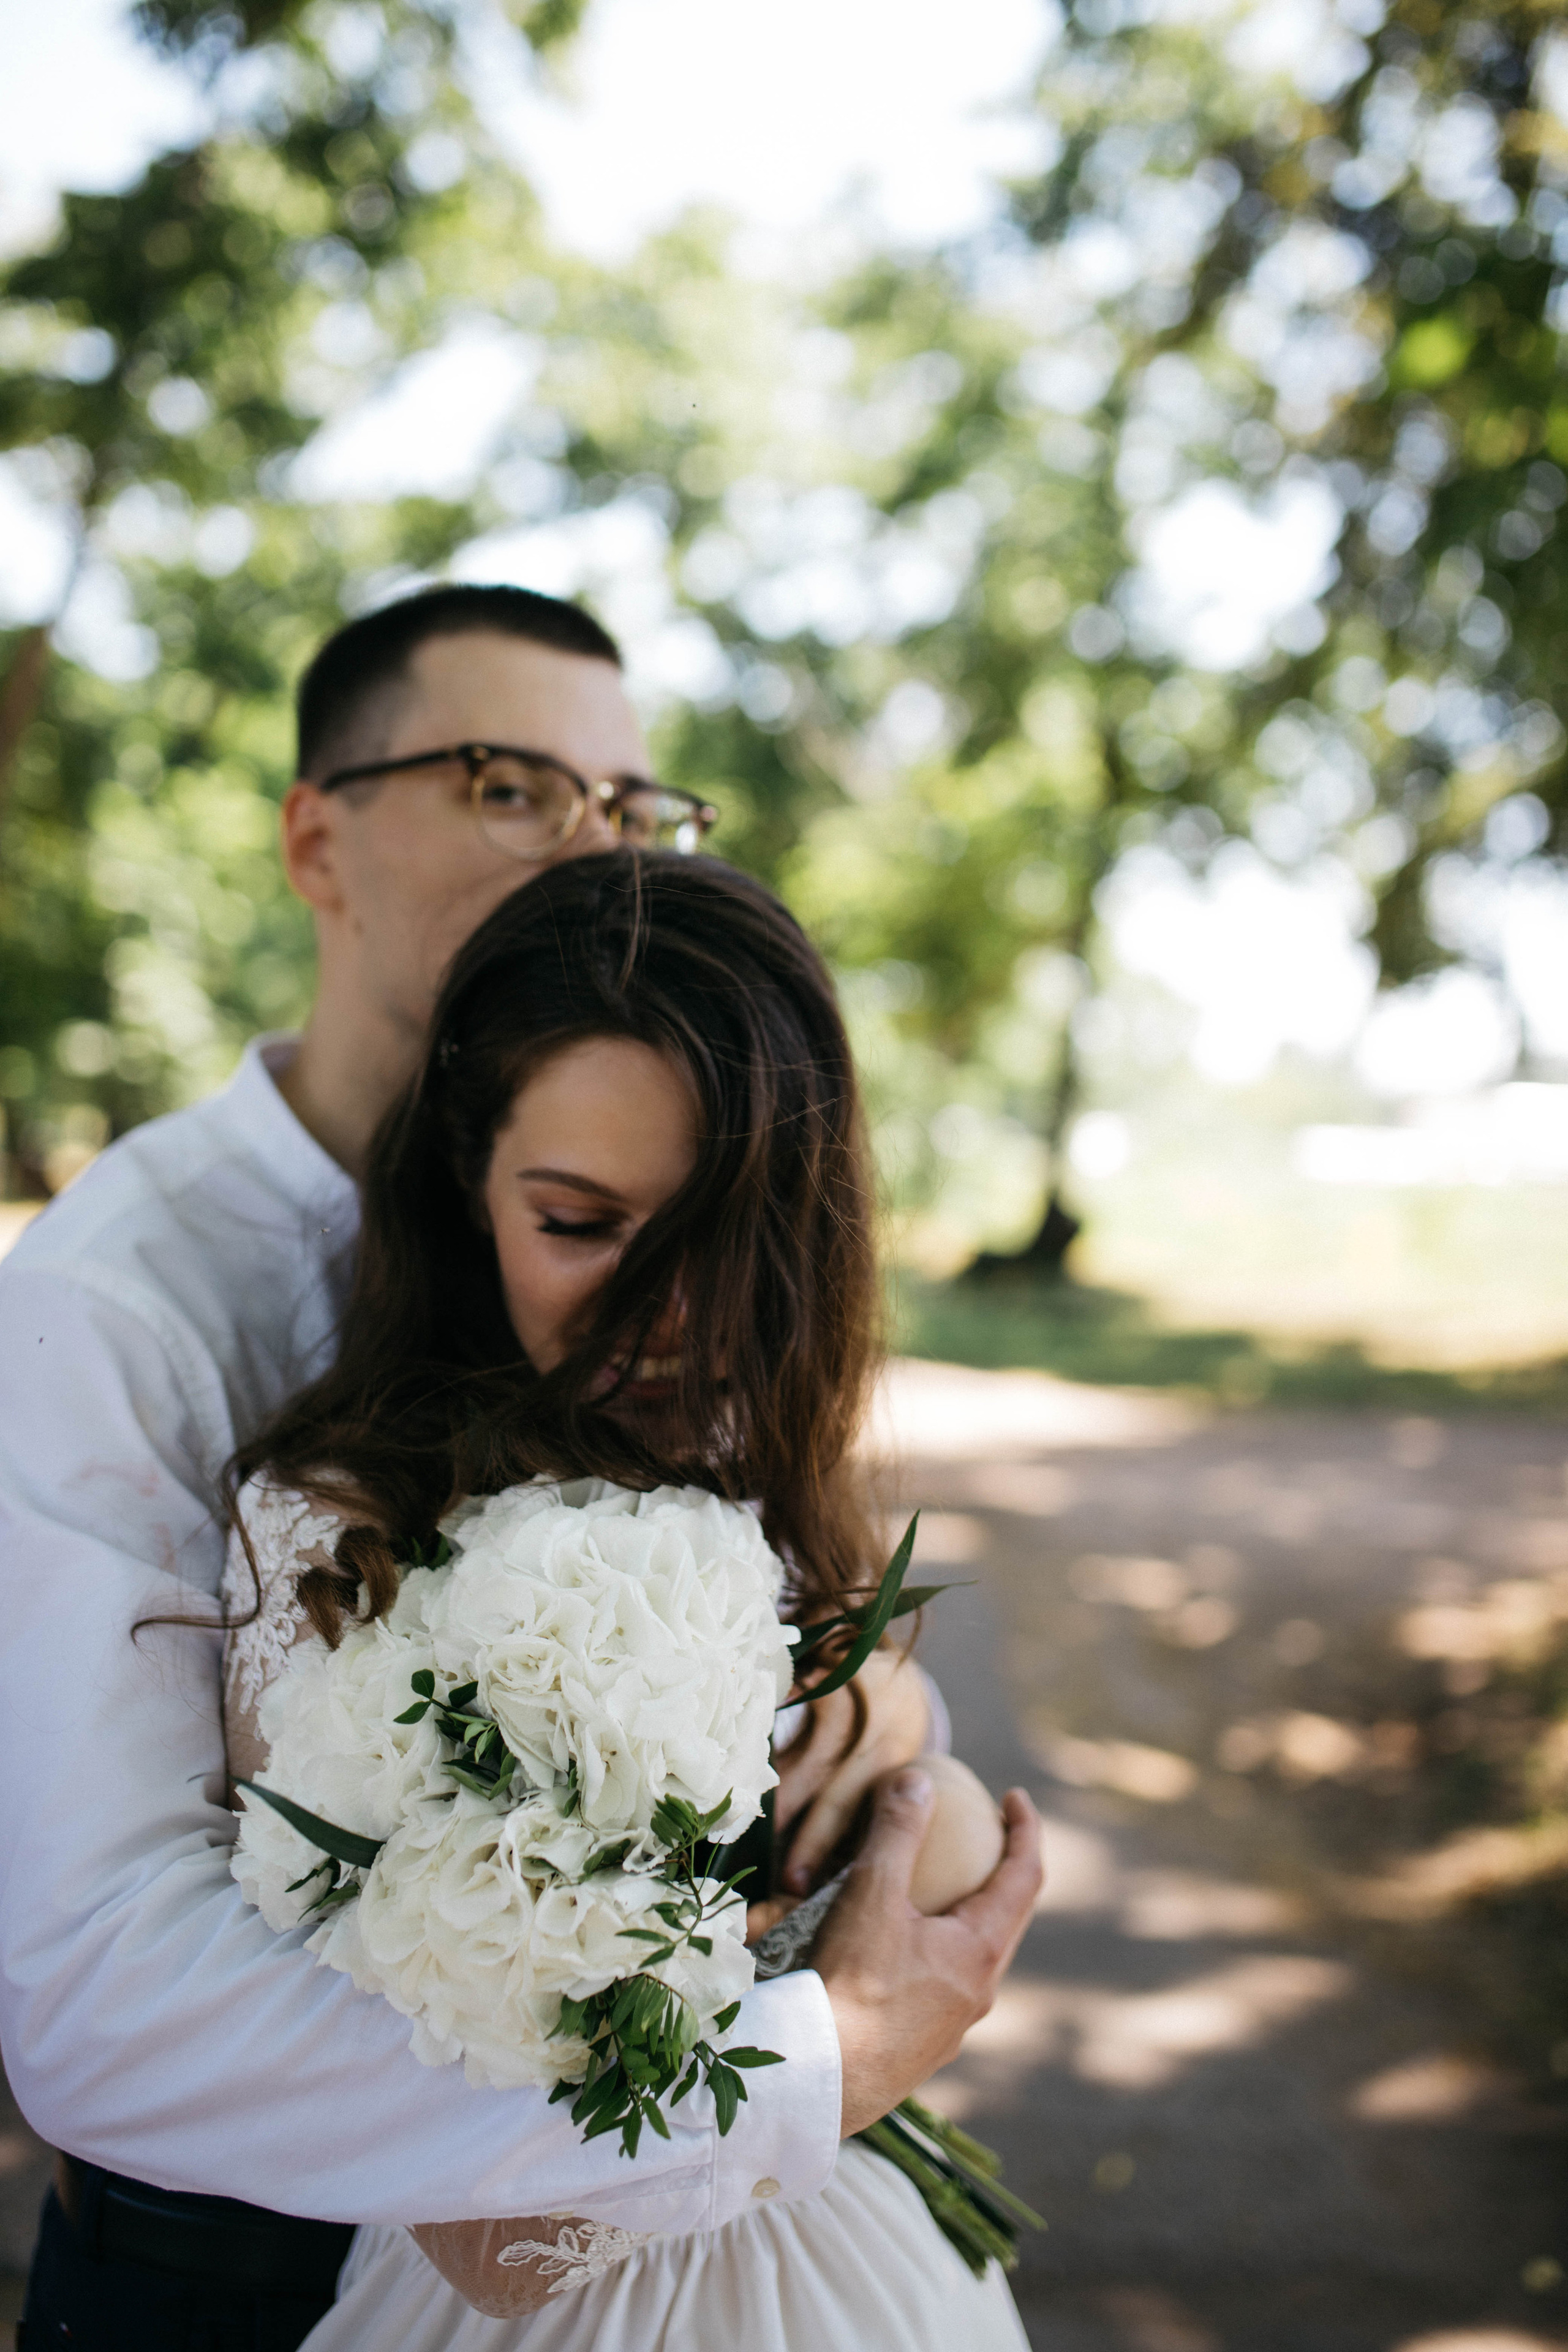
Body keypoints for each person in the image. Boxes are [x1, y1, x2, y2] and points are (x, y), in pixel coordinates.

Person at [0, 584, 1042, 2350]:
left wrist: (874, 1731)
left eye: (630, 808)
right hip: (241, 2275)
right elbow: (101, 1990)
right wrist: (801, 2072)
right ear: (315, 841)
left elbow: (810, 1622)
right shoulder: (110, 1308)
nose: (589, 849)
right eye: (509, 784)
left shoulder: (666, 1241)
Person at [219, 846, 1037, 2347]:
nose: (665, 1318)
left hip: (870, 2274)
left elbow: (862, 1837)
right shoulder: (345, 1540)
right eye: (581, 1225)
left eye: (723, 1241)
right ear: (469, 1192)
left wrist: (894, 1727)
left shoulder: (748, 1450)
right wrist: (845, 2055)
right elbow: (490, 2243)